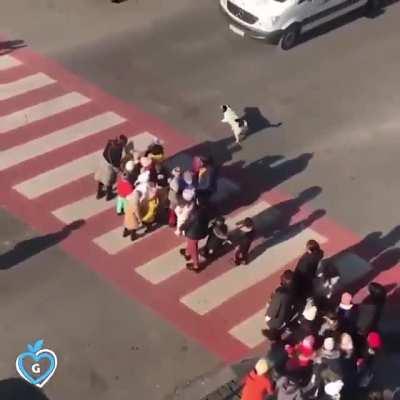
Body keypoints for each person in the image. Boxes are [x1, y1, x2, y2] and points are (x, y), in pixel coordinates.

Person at [264, 270, 296, 339]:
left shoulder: (280, 294)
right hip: (284, 311)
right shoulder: (291, 291)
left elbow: (273, 310)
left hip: (278, 318)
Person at [95, 135, 127, 200]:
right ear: (122, 142)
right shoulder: (119, 149)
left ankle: (99, 193)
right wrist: (120, 170)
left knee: (101, 178)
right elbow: (116, 162)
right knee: (110, 180)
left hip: (103, 162)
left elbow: (105, 153)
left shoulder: (110, 142)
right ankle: (109, 195)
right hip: (109, 166)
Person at [180, 202, 210, 272]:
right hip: (200, 232)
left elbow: (187, 223)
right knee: (192, 244)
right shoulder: (205, 211)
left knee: (193, 249)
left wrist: (181, 228)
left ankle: (196, 265)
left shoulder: (194, 214)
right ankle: (187, 252)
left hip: (193, 233)